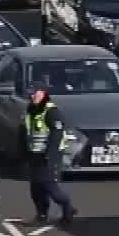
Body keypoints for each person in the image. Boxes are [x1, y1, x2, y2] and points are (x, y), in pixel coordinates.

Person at [25, 89, 77, 226]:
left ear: (44, 94)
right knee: (36, 188)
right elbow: (28, 131)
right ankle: (41, 215)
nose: (32, 96)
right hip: (34, 154)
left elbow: (57, 134)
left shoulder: (52, 112)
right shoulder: (31, 109)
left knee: (50, 187)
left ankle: (68, 207)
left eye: (35, 93)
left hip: (48, 156)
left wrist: (50, 155)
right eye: (30, 93)